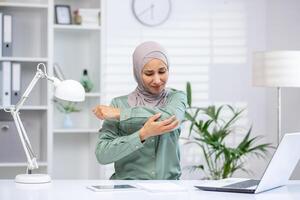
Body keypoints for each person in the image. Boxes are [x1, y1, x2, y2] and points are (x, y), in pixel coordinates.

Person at [93, 41, 187, 180]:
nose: (157, 80)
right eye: (149, 73)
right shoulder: (119, 103)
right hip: (127, 190)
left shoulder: (177, 97)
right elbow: (103, 154)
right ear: (137, 72)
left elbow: (169, 118)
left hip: (168, 190)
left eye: (162, 71)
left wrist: (121, 113)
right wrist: (142, 134)